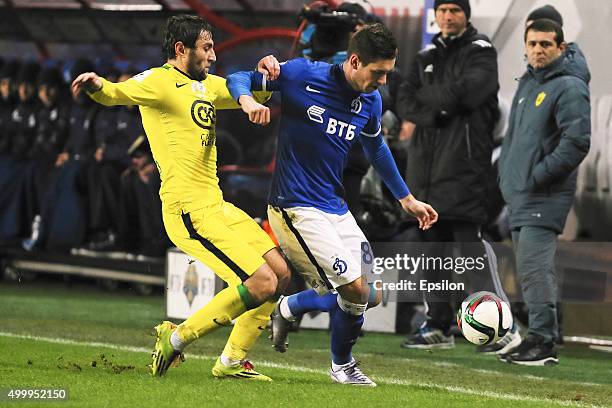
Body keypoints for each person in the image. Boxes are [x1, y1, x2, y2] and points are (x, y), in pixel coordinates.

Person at [71, 15, 291, 380]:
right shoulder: (159, 81)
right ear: (180, 50)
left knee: (281, 275)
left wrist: (266, 71)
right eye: (206, 48)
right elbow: (115, 93)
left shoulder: (205, 87)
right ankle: (175, 339)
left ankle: (232, 361)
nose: (213, 56)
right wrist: (97, 85)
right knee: (263, 283)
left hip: (217, 205)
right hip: (187, 209)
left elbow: (247, 90)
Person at [227, 23, 438, 386]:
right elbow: (237, 77)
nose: (384, 82)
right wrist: (248, 100)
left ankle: (289, 307)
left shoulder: (370, 100)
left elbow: (377, 148)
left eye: (388, 73)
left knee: (370, 294)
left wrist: (406, 198)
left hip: (334, 207)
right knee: (354, 290)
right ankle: (343, 366)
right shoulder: (299, 74)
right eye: (378, 73)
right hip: (295, 207)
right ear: (354, 61)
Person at [394, 0, 518, 353]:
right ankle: (437, 325)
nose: (448, 16)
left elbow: (468, 93)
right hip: (426, 170)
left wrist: (431, 102)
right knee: (432, 252)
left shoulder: (482, 52)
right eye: (443, 10)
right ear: (436, 15)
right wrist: (438, 109)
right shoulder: (425, 55)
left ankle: (499, 324)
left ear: (466, 15)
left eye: (455, 10)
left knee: (470, 248)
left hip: (464, 167)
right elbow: (405, 102)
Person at [498, 19, 590, 366]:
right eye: (533, 43)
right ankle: (536, 336)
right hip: (521, 194)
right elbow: (515, 141)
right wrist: (508, 178)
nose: (538, 49)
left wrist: (536, 176)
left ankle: (543, 341)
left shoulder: (569, 86)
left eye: (546, 44)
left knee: (536, 268)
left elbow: (577, 142)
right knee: (527, 268)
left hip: (543, 195)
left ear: (561, 48)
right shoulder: (528, 84)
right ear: (525, 46)